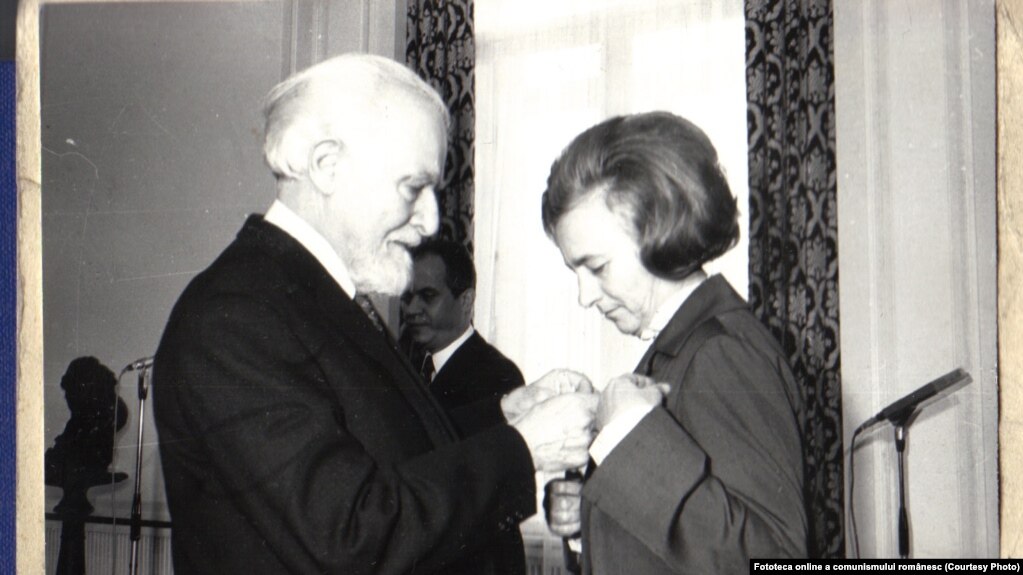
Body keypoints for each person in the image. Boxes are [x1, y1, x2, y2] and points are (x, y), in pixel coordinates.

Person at [152, 53, 597, 575]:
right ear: (326, 166)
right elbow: (349, 534)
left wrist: (505, 414)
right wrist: (524, 448)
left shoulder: (308, 295)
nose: (429, 220)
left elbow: (384, 446)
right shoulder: (234, 317)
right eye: (412, 188)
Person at [540, 111, 808, 573]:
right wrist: (592, 519)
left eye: (597, 267)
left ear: (662, 233)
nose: (585, 296)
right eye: (575, 271)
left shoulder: (722, 353)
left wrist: (629, 434)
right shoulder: (677, 351)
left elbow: (776, 561)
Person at [402, 239, 525, 436]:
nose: (411, 309)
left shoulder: (498, 377)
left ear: (466, 301)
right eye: (408, 297)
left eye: (428, 295)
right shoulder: (407, 363)